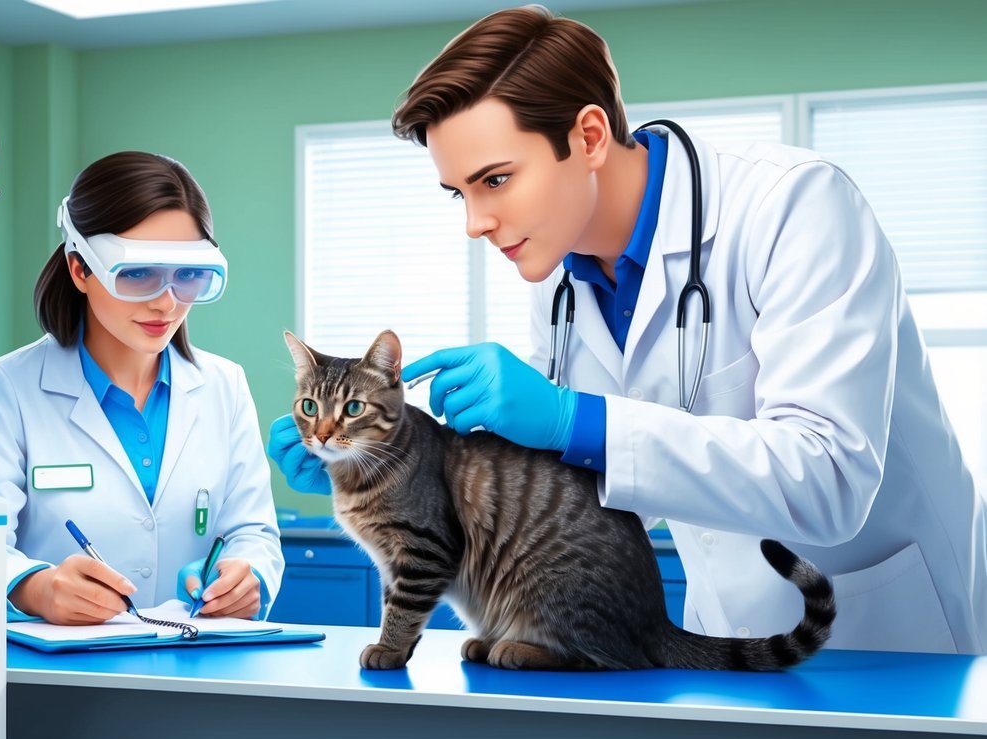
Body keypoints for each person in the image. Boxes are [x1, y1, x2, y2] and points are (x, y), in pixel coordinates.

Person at [269, 5, 986, 654]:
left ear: (585, 136)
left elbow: (828, 477)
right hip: (718, 621)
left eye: (494, 180)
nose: (474, 223)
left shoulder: (795, 207)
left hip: (885, 629)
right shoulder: (555, 269)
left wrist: (571, 419)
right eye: (458, 192)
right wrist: (382, 467)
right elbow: (581, 491)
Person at [0, 152, 283, 625]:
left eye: (187, 275)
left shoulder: (224, 386)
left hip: (199, 666)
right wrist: (35, 588)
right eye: (138, 274)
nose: (166, 302)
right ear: (81, 270)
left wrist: (248, 577)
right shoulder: (9, 389)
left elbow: (253, 531)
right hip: (58, 678)